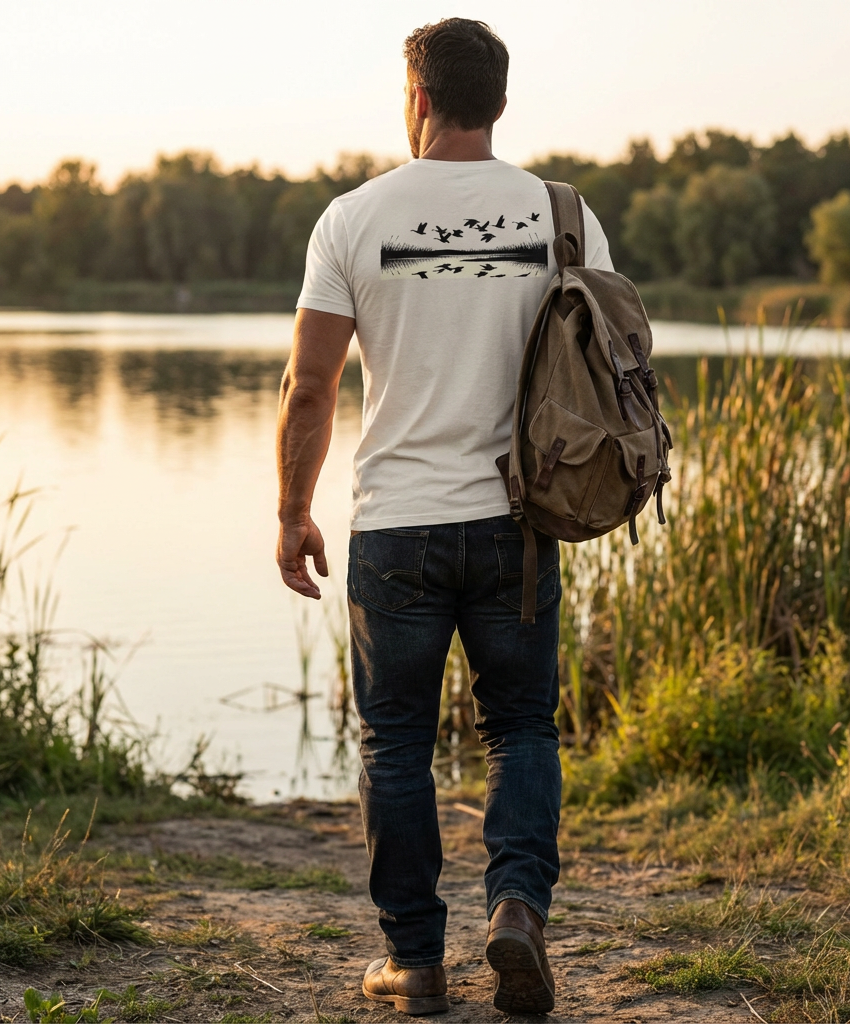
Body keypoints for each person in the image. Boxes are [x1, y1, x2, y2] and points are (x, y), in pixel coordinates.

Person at [274, 17, 614, 1016]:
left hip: (395, 524)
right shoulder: (563, 216)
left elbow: (309, 385)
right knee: (519, 726)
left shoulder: (351, 217)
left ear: (415, 97)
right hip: (517, 521)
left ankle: (416, 964)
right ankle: (515, 907)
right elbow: (601, 372)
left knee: (394, 740)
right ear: (498, 103)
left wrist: (293, 508)